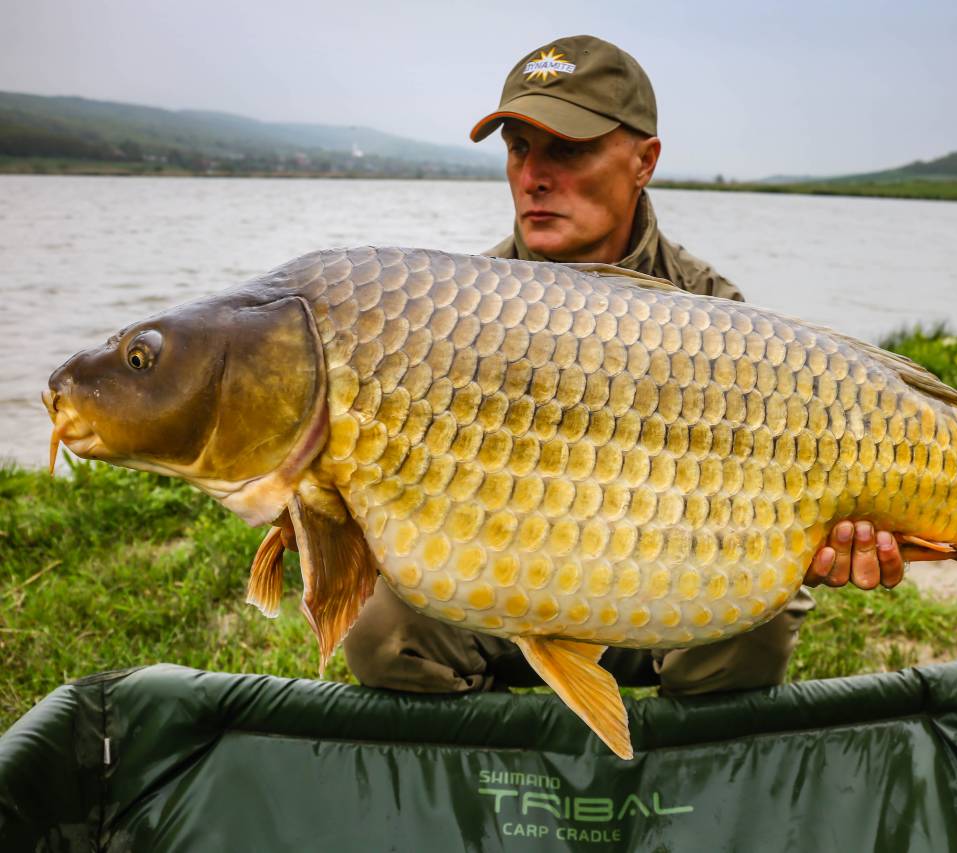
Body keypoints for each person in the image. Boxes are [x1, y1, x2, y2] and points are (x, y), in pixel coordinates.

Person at [343, 35, 925, 697]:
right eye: (519, 149)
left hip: (664, 596)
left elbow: (788, 503)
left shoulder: (714, 313)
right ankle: (491, 769)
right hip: (493, 588)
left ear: (643, 160)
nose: (534, 174)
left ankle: (676, 775)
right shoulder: (456, 309)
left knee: (761, 625)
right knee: (379, 628)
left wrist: (823, 537)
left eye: (567, 149)